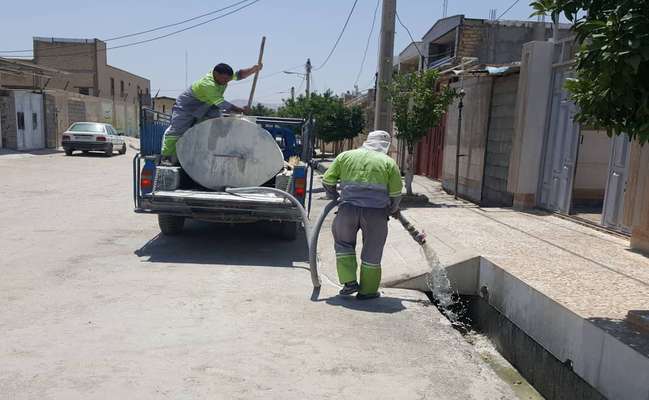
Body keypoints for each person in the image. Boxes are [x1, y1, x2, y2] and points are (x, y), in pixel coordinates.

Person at [321, 130, 403, 300]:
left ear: (367, 141)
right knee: (372, 251)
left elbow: (328, 180)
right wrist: (392, 209)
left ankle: (349, 282)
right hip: (376, 214)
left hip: (347, 210)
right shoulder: (388, 163)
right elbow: (395, 194)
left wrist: (334, 196)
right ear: (386, 145)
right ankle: (367, 291)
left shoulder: (345, 156)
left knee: (343, 244)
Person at [160, 62, 262, 163]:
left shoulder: (223, 77)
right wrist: (242, 110)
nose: (226, 82)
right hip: (187, 106)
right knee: (177, 131)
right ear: (216, 74)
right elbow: (222, 103)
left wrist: (253, 70)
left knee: (216, 125)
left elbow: (239, 75)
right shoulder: (208, 84)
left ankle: (210, 151)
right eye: (225, 79)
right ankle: (167, 156)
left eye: (228, 79)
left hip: (208, 105)